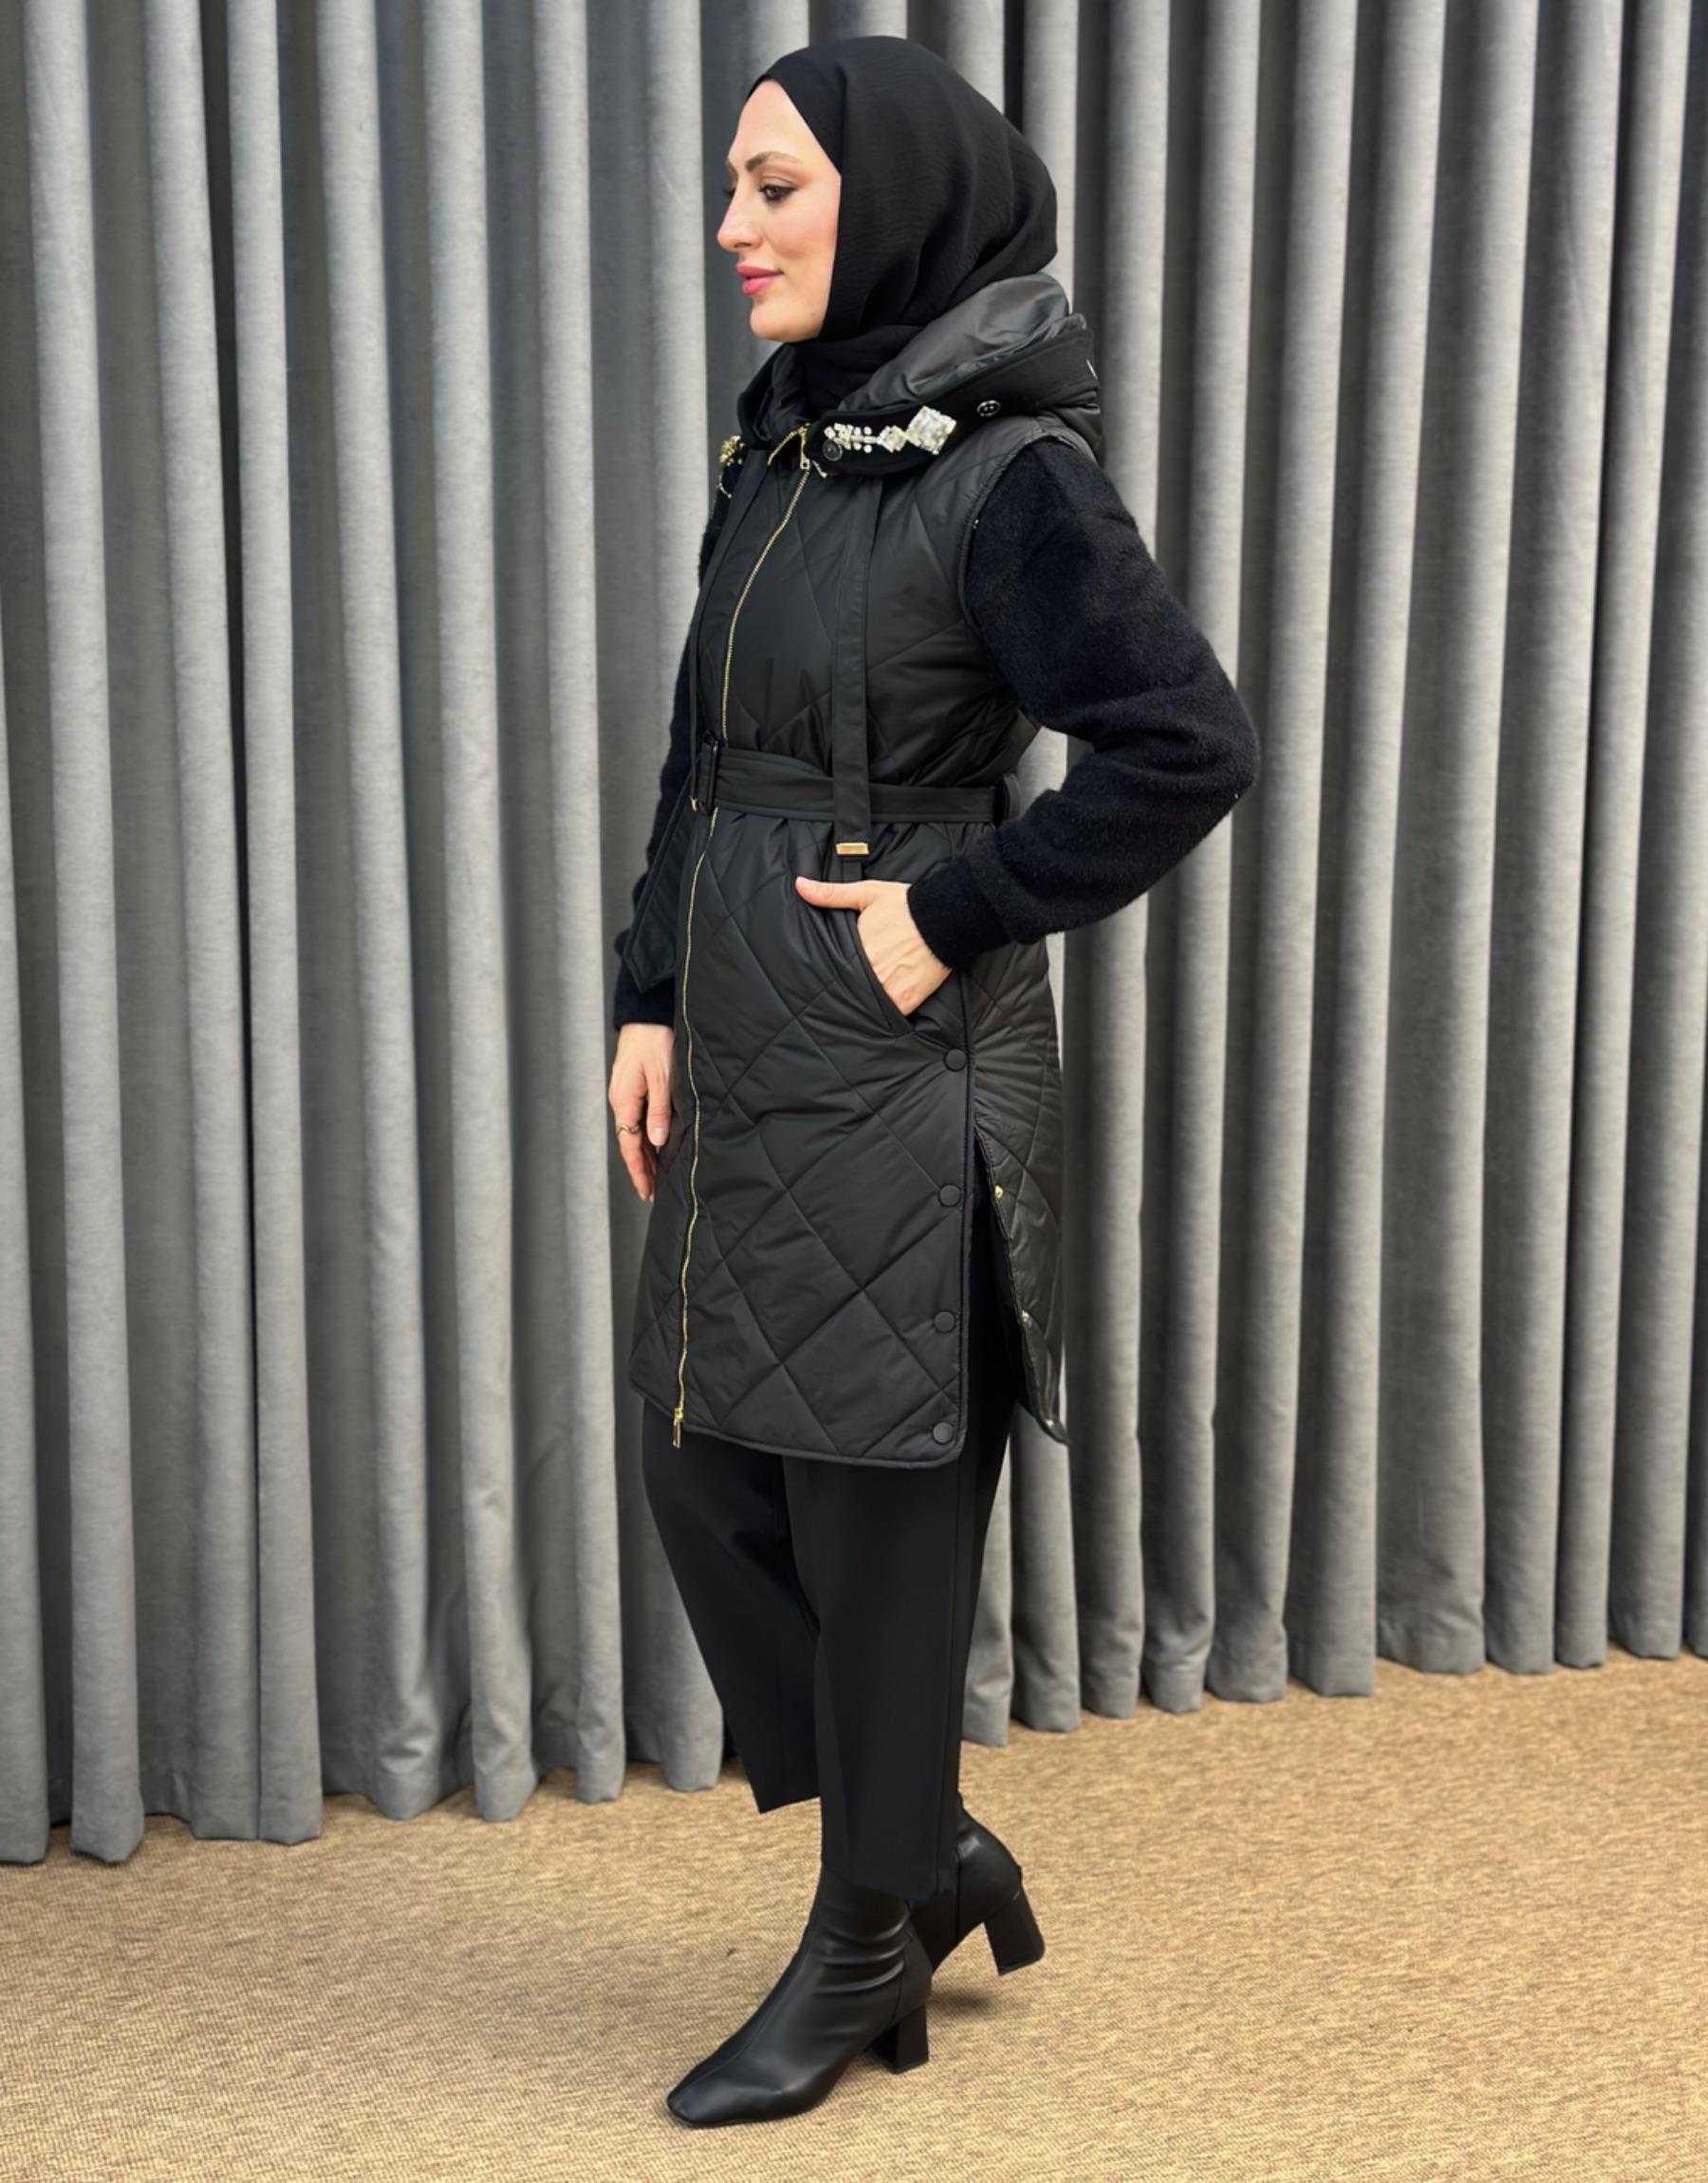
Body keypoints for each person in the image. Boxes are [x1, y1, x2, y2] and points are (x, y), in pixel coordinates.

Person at [606, 35, 1260, 2129]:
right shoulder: (791, 446)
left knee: (879, 1512)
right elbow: (704, 751)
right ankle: (934, 1844)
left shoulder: (1013, 473)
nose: (734, 226)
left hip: (902, 1062)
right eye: (735, 184)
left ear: (888, 203)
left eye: (776, 187)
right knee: (706, 1467)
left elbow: (1185, 746)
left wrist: (953, 912)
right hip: (742, 1039)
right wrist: (648, 989)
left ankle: (867, 1930)